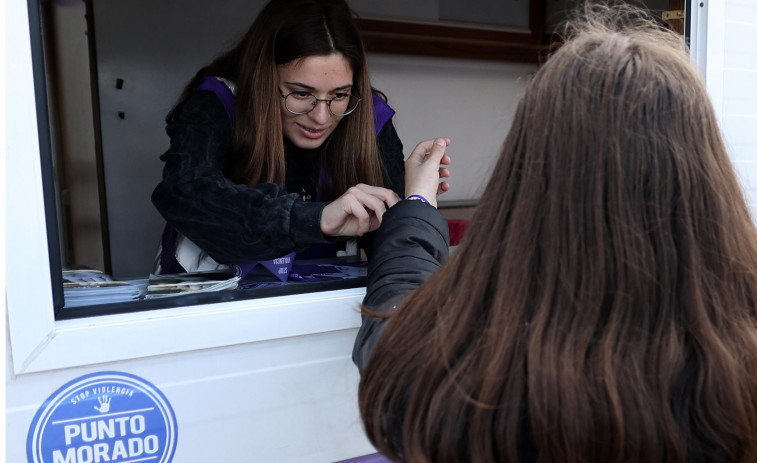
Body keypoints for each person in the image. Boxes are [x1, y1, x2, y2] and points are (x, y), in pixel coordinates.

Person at [353, 4, 757, 463]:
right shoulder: (736, 381)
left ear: (526, 182)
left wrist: (417, 205)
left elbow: (394, 326)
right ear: (705, 185)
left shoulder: (468, 388)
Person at [151, 0, 405, 274]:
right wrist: (315, 219)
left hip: (329, 304)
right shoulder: (217, 103)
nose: (321, 117)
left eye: (339, 95)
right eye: (300, 93)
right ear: (264, 77)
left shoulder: (368, 115)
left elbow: (396, 245)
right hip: (210, 301)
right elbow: (184, 193)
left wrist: (417, 203)